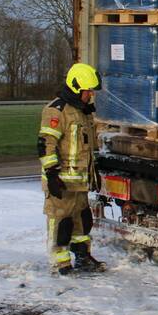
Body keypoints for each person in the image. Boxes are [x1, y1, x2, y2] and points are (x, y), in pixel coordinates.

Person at [38, 63, 105, 275]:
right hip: (61, 181)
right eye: (88, 91)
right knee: (61, 222)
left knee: (82, 220)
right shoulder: (57, 111)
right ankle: (60, 262)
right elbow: (46, 144)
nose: (90, 95)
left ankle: (83, 256)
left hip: (79, 182)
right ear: (76, 88)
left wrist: (94, 173)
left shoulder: (84, 112)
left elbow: (87, 148)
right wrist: (52, 174)